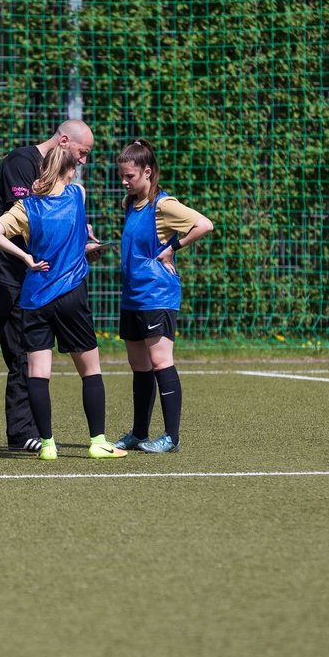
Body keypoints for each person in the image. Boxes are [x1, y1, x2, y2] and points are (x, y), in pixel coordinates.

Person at [0, 120, 94, 454]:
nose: (83, 161)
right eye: (82, 153)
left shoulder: (56, 177)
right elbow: (30, 217)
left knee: (24, 355)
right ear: (64, 141)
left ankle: (21, 431)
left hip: (24, 277)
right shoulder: (21, 163)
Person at [0, 145, 126, 461]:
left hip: (35, 297)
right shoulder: (78, 194)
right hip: (71, 295)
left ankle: (47, 444)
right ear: (70, 171)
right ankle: (98, 441)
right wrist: (84, 247)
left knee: (37, 373)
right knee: (90, 371)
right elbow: (69, 233)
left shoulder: (26, 207)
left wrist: (26, 257)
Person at [109, 139, 214, 453]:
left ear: (148, 172)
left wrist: (172, 250)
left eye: (130, 176)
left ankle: (171, 438)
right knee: (138, 365)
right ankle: (139, 433)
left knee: (159, 361)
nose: (124, 182)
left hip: (158, 295)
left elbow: (203, 224)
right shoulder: (130, 203)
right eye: (122, 176)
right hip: (132, 297)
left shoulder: (164, 204)